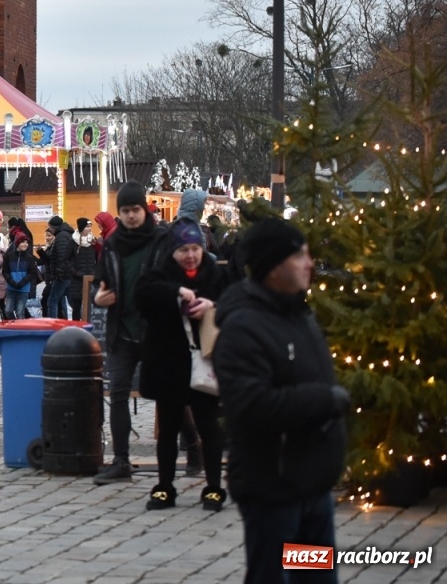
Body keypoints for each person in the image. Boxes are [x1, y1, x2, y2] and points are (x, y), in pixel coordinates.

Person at [214, 213, 347, 584]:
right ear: (273, 266)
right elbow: (250, 405)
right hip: (273, 489)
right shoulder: (244, 325)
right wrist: (323, 400)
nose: (309, 263)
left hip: (312, 488)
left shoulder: (298, 313)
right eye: (298, 256)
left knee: (314, 578)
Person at [133, 221, 229, 512]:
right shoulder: (159, 272)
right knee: (169, 429)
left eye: (195, 249)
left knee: (209, 428)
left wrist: (213, 307)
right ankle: (164, 487)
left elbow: (237, 304)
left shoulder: (216, 274)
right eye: (184, 250)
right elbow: (142, 296)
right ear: (173, 251)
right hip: (169, 363)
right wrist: (177, 292)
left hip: (205, 362)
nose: (190, 255)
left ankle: (213, 488)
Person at [92, 181, 165, 484]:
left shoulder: (162, 239)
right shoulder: (112, 243)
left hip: (156, 331)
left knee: (170, 393)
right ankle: (121, 460)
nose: (131, 216)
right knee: (118, 393)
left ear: (144, 209)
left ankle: (193, 446)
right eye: (125, 211)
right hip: (122, 330)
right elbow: (100, 281)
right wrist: (98, 297)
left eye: (135, 210)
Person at [42, 216, 79, 320]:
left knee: (52, 300)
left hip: (63, 275)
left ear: (54, 227)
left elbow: (62, 256)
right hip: (68, 274)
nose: (50, 230)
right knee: (71, 301)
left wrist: (59, 273)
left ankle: (52, 325)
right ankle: (85, 318)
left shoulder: (61, 236)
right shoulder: (66, 234)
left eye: (50, 227)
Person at [2, 234, 38, 320]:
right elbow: (5, 271)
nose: (25, 244)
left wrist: (22, 282)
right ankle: (13, 326)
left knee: (20, 312)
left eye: (27, 242)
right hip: (11, 288)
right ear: (17, 243)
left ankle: (20, 330)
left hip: (24, 288)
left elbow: (32, 273)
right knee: (8, 310)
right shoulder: (9, 256)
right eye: (23, 242)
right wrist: (11, 281)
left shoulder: (29, 257)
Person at [69, 217, 98, 320]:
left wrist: (96, 272)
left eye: (90, 226)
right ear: (81, 228)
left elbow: (99, 257)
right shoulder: (72, 242)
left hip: (91, 278)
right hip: (77, 279)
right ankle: (76, 328)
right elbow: (66, 260)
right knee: (76, 306)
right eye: (87, 226)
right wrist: (75, 272)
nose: (89, 229)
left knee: (91, 306)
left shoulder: (93, 242)